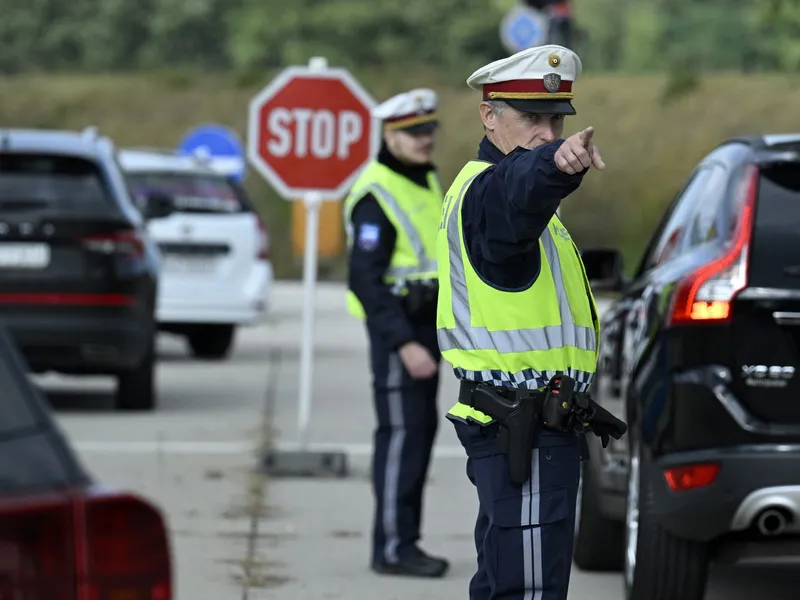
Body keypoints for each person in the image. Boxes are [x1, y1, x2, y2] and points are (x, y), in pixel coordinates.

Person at [436, 44, 626, 599]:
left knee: (505, 585)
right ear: (488, 114)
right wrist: (555, 164)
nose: (546, 132)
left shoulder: (520, 207)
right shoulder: (492, 193)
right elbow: (521, 186)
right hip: (525, 429)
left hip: (527, 427)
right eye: (530, 119)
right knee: (530, 592)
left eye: (554, 120)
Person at [343, 88, 449, 578]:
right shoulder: (376, 192)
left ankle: (405, 541)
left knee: (418, 435)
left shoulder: (422, 179)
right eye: (413, 132)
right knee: (402, 438)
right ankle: (390, 548)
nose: (424, 139)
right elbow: (365, 280)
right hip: (398, 334)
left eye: (429, 129)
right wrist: (405, 344)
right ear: (389, 136)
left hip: (425, 326)